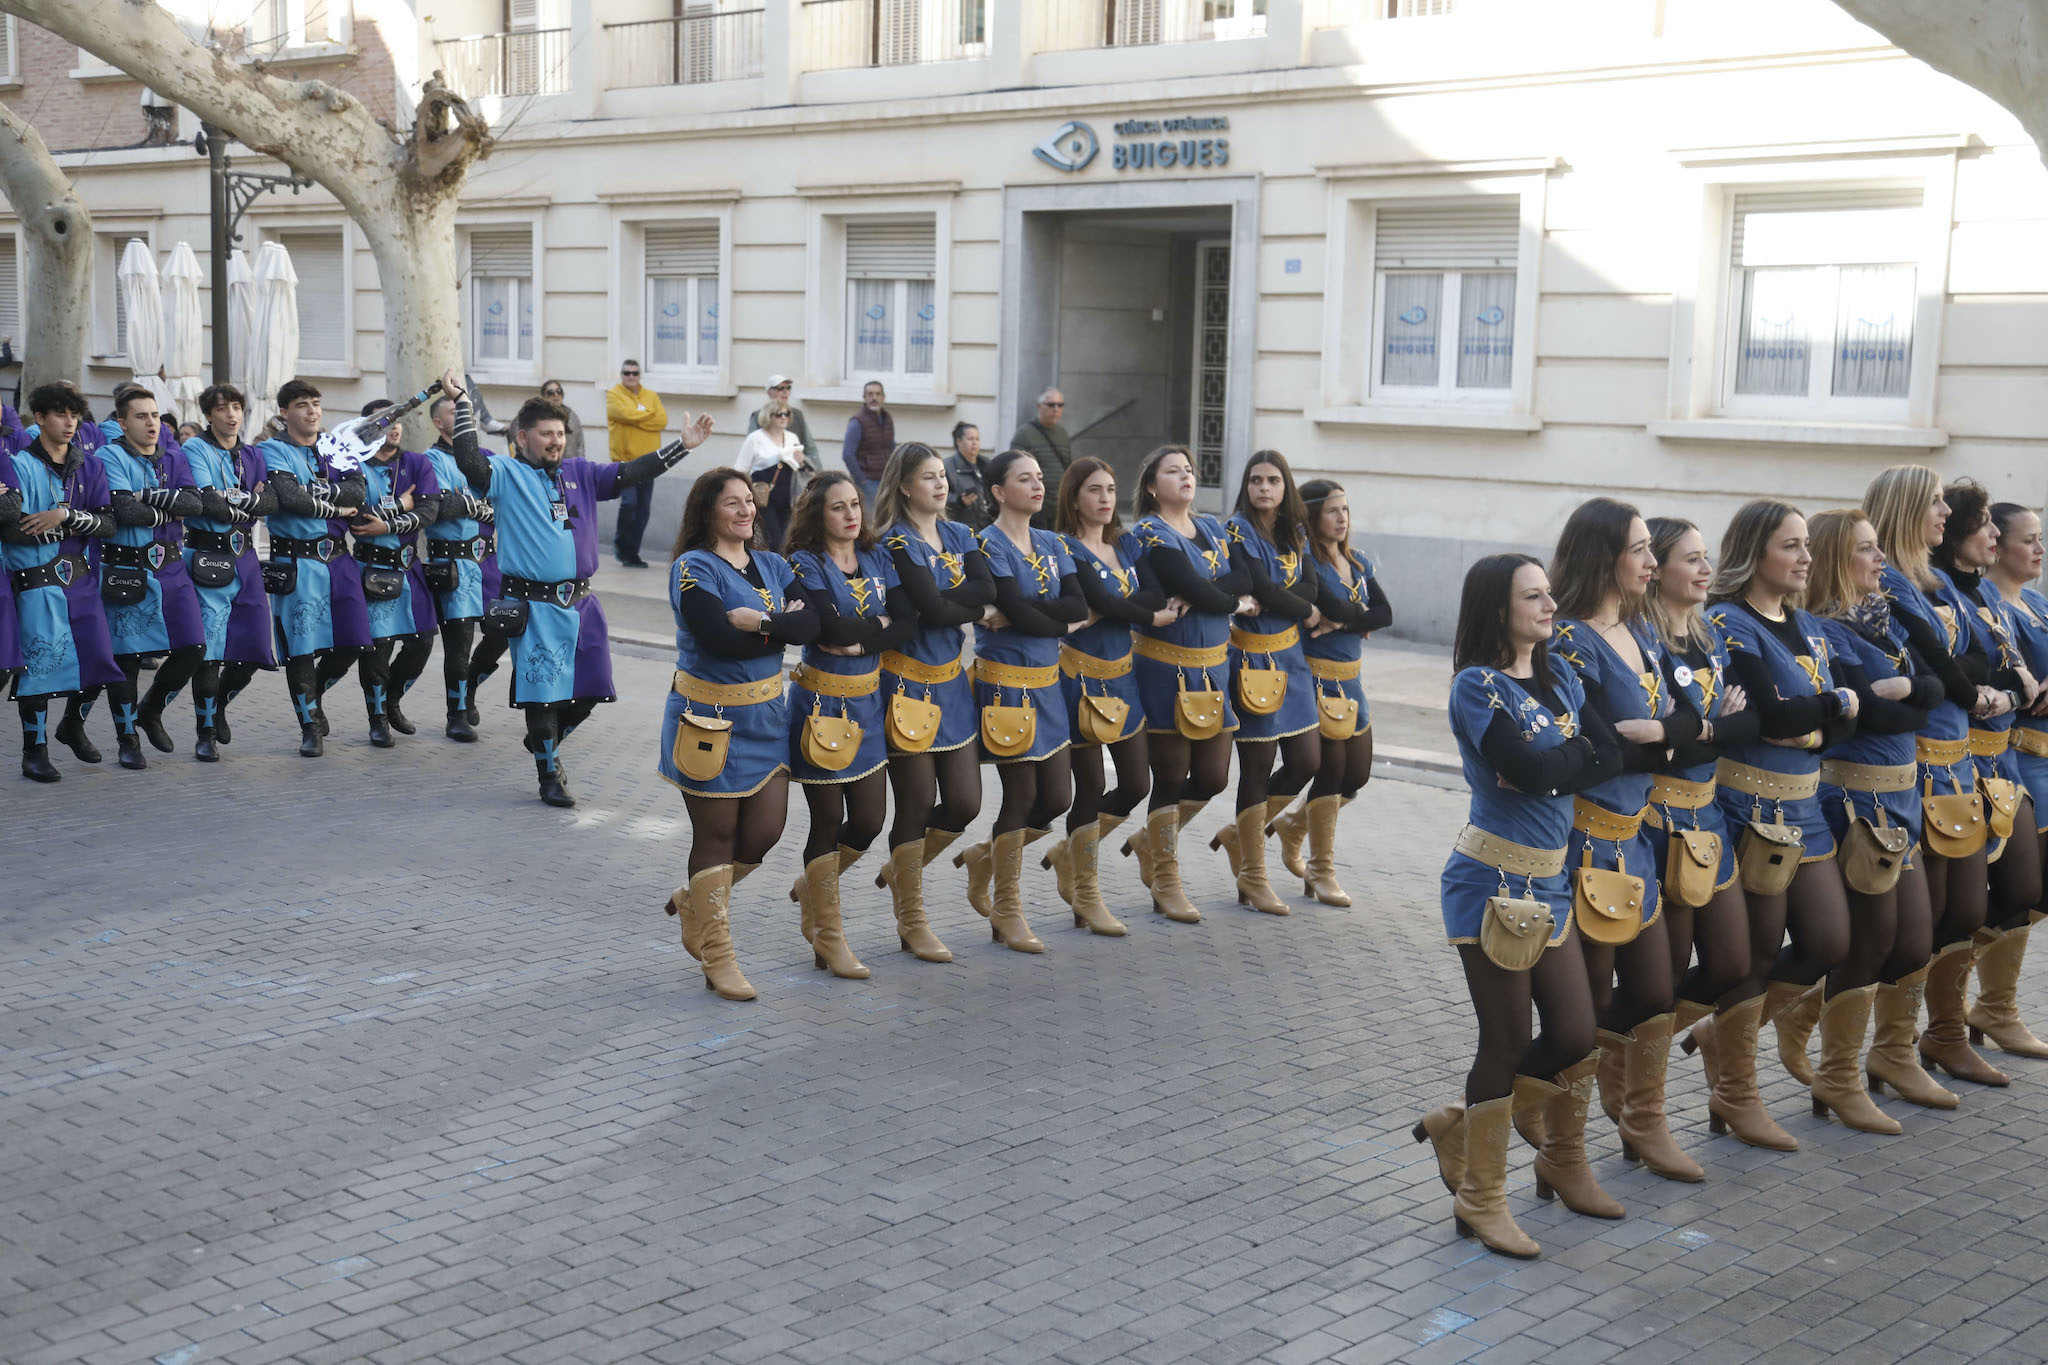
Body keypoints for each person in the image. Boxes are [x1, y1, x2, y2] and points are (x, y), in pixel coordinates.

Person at [1413, 553, 1615, 1260]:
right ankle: (1481, 1198)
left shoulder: (1558, 675)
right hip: (1490, 885)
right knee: (1502, 1041)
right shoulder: (1478, 686)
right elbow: (1536, 770)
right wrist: (1569, 758)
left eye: (1549, 593)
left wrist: (1563, 759)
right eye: (1533, 596)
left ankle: (1462, 1133)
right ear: (1499, 608)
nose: (1549, 604)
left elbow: (1604, 754)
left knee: (1575, 1030)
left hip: (1551, 884)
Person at [445, 370, 711, 807]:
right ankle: (548, 772)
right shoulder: (506, 474)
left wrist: (682, 446)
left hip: (583, 603)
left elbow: (631, 473)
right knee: (544, 696)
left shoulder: (580, 473)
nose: (555, 440)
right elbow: (469, 459)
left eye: (560, 433)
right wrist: (462, 405)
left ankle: (542, 743)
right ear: (522, 437)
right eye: (546, 434)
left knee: (591, 691)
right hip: (533, 606)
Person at [1546, 499, 1699, 1185]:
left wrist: (1665, 734)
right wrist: (1671, 736)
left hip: (1636, 839)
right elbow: (1604, 752)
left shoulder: (1642, 629)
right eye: (1640, 549)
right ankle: (1564, 1151)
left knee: (1658, 988)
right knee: (1595, 999)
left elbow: (1689, 723)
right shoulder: (1571, 641)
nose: (1652, 561)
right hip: (1588, 847)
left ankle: (1643, 1116)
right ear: (1605, 556)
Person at [1700, 500, 1856, 1149]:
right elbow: (1774, 715)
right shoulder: (1728, 623)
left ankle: (1717, 1037)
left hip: (1808, 805)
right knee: (1755, 955)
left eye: (1806, 545)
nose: (1805, 557)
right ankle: (1736, 1089)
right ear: (1755, 553)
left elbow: (1840, 716)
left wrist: (1811, 718)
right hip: (1752, 810)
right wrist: (1816, 715)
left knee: (1828, 940)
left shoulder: (1808, 625)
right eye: (1790, 546)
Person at [1864, 466, 2011, 1091]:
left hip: (1959, 761)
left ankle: (1940, 1034)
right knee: (1912, 924)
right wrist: (1961, 676)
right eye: (1933, 504)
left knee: (1965, 907)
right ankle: (1890, 1047)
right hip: (1915, 765)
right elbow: (1943, 675)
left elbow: (1983, 658)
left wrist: (1961, 674)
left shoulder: (1935, 580)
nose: (1945, 514)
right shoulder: (1888, 584)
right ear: (1904, 509)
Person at [1803, 508, 1944, 1127]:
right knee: (1870, 941)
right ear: (1838, 558)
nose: (1880, 559)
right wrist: (1911, 694)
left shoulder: (1884, 620)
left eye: (1880, 547)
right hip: (1857, 801)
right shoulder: (1825, 629)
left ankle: (1891, 1055)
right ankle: (1837, 1076)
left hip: (1902, 797)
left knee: (1914, 939)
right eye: (1866, 550)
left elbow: (1937, 686)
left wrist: (1909, 689)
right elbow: (1873, 716)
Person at [660, 468, 817, 1000]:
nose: (746, 511)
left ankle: (692, 902)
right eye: (733, 503)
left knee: (766, 832)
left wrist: (757, 622)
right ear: (708, 512)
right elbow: (717, 639)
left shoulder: (773, 564)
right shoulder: (692, 568)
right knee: (717, 838)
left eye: (749, 502)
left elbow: (811, 625)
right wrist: (776, 626)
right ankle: (717, 953)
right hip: (708, 722)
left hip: (767, 721)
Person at [1639, 519, 1756, 1121]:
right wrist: (1712, 724)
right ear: (1658, 568)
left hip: (1709, 814)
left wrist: (1706, 727)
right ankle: (1639, 1097)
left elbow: (1744, 723)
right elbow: (1675, 738)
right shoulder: (1645, 641)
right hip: (1661, 823)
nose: (1707, 569)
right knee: (1666, 975)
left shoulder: (1708, 634)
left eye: (1707, 557)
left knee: (1734, 961)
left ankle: (1631, 1055)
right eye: (1693, 559)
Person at [1926, 479, 2035, 1086]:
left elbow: (2007, 668)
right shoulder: (1940, 590)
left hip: (2001, 760)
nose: (1994, 534)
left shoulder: (1981, 593)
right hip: (1954, 762)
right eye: (1987, 524)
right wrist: (2003, 677)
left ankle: (1982, 1009)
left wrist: (2008, 677)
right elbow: (1966, 668)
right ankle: (1942, 1030)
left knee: (2019, 887)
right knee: (1940, 916)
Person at [954, 449, 1086, 951]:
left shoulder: (1052, 541)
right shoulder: (984, 545)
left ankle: (985, 855)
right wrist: (1049, 618)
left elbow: (1074, 605)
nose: (1037, 485)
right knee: (1023, 796)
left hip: (1047, 682)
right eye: (1023, 478)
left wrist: (1032, 614)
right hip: (1005, 685)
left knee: (1058, 797)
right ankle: (1007, 907)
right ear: (997, 491)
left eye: (1039, 478)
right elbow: (1028, 611)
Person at [783, 470, 914, 976]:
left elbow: (907, 622)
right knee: (827, 820)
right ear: (819, 515)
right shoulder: (805, 563)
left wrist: (864, 639)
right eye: (838, 507)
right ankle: (828, 936)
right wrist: (877, 626)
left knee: (869, 820)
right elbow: (828, 629)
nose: (851, 514)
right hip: (819, 706)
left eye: (855, 504)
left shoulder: (878, 556)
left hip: (868, 703)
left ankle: (812, 889)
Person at [873, 442, 997, 961]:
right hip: (906, 686)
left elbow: (984, 586)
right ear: (904, 486)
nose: (941, 484)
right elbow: (931, 608)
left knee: (966, 802)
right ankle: (911, 917)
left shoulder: (962, 533)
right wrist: (971, 605)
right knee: (917, 803)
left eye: (942, 475)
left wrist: (961, 603)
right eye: (927, 477)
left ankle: (901, 869)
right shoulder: (896, 543)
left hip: (953, 685)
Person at [1121, 445, 1249, 923]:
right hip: (1165, 669)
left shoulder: (1213, 526)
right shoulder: (1150, 532)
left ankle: (1150, 842)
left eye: (1189, 470)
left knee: (1214, 776)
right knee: (1171, 777)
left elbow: (1243, 575)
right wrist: (1223, 596)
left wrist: (1214, 594)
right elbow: (1196, 585)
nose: (1185, 477)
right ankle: (1165, 877)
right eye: (1173, 471)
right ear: (1153, 486)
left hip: (1214, 668)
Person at [1050, 455, 1173, 936]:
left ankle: (1067, 856)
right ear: (1075, 498)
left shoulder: (1124, 543)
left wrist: (1123, 611)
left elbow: (1153, 597)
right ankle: (1086, 893)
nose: (1105, 499)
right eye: (1094, 490)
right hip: (1077, 681)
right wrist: (1132, 611)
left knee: (1137, 784)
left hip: (1123, 679)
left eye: (1109, 489)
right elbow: (1093, 604)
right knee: (1090, 789)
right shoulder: (1064, 547)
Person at [1213, 451, 1323, 915]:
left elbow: (1309, 588)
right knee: (1256, 768)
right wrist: (1298, 606)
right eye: (1255, 479)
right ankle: (1253, 876)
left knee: (1305, 761)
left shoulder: (1295, 532)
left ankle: (1242, 837)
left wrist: (1290, 602)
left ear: (1285, 486)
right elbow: (1261, 586)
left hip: (1292, 659)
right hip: (1253, 658)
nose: (1263, 488)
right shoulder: (1236, 529)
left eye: (1273, 480)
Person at [1, 383, 123, 782]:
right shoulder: (19, 464)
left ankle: (72, 724)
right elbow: (14, 525)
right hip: (36, 581)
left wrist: (63, 517)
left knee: (99, 661)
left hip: (81, 581)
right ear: (39, 419)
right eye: (60, 414)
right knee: (39, 669)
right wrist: (62, 525)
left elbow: (108, 523)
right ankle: (33, 752)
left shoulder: (91, 466)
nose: (70, 422)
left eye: (74, 414)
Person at [1286, 480, 1393, 906]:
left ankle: (1294, 824)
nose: (1342, 517)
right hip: (1316, 678)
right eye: (1332, 510)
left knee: (1357, 774)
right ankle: (1320, 869)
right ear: (1312, 515)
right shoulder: (1305, 559)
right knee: (1330, 772)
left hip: (1352, 679)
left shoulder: (1359, 560)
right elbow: (1335, 607)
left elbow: (1384, 613)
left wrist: (1343, 622)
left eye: (1345, 509)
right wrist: (1349, 618)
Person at [93, 384, 208, 769]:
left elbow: (194, 504)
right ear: (123, 422)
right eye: (141, 416)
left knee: (192, 647)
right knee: (126, 658)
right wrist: (165, 504)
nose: (151, 423)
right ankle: (127, 739)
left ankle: (151, 709)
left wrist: (146, 497)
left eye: (155, 415)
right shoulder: (109, 455)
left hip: (172, 569)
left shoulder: (174, 458)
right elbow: (123, 510)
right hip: (126, 569)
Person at [260, 379, 369, 759]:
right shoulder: (271, 450)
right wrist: (337, 504)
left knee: (355, 640)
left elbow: (360, 490)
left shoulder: (336, 447)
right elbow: (291, 499)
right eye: (303, 405)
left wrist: (321, 492)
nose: (312, 411)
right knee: (302, 648)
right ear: (285, 412)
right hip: (296, 559)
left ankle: (314, 694)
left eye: (316, 403)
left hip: (339, 558)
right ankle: (308, 725)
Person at [1980, 498, 2048, 1059]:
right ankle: (1992, 1007)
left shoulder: (2037, 605)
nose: (2039, 549)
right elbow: (2017, 689)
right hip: (2017, 759)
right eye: (2029, 539)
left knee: (2030, 894)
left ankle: (1993, 1006)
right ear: (1995, 543)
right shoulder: (1981, 604)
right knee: (2022, 890)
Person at [178, 383, 277, 759]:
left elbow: (270, 503)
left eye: (236, 407)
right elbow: (207, 502)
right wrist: (247, 500)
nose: (231, 415)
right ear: (208, 415)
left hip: (245, 558)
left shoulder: (251, 454)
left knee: (253, 650)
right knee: (211, 652)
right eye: (222, 409)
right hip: (207, 557)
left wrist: (238, 500)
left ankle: (218, 704)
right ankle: (204, 732)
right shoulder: (195, 449)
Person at [350, 400, 441, 748]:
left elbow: (431, 508)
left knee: (422, 641)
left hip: (409, 567)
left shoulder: (417, 463)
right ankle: (376, 719)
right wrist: (402, 503)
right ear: (368, 427)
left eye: (397, 419)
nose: (394, 426)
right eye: (385, 421)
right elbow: (357, 517)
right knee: (377, 649)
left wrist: (387, 520)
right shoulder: (354, 467)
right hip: (370, 567)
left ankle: (392, 701)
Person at [423, 394, 499, 741]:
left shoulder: (487, 458)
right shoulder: (431, 460)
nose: (462, 416)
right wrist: (474, 504)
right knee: (459, 644)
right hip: (451, 561)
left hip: (488, 561)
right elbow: (439, 505)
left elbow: (506, 500)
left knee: (504, 630)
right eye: (455, 412)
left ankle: (468, 689)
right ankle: (456, 715)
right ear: (438, 423)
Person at [605, 360, 667, 568]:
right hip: (625, 461)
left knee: (642, 509)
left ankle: (633, 553)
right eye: (627, 373)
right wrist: (646, 415)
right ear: (621, 375)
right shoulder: (614, 395)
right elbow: (621, 414)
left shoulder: (651, 396)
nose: (631, 377)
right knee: (629, 503)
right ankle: (621, 547)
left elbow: (662, 421)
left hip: (650, 463)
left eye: (635, 373)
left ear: (640, 375)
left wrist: (636, 417)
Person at [737, 401, 807, 550]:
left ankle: (785, 570)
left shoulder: (792, 438)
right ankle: (775, 570)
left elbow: (799, 468)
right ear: (768, 416)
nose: (783, 417)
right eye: (778, 414)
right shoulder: (755, 438)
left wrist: (801, 461)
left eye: (786, 413)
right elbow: (740, 468)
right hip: (764, 499)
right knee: (775, 540)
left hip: (788, 498)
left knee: (788, 539)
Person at [1008, 389, 1073, 529]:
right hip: (1036, 507)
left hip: (1059, 507)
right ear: (1039, 406)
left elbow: (1068, 467)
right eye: (1050, 404)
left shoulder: (1062, 434)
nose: (1055, 409)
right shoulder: (1024, 434)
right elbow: (1014, 470)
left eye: (1060, 405)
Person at [840, 380, 893, 508]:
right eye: (870, 394)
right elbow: (848, 454)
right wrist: (862, 481)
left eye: (877, 394)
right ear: (864, 398)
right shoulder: (857, 422)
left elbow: (891, 447)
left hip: (886, 481)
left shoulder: (887, 418)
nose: (874, 398)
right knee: (871, 523)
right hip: (868, 483)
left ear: (883, 397)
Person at [745, 375, 815, 462]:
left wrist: (816, 470)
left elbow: (811, 448)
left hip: (793, 471)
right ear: (769, 392)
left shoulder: (797, 414)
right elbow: (749, 452)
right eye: (780, 388)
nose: (785, 391)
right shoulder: (757, 415)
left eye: (788, 388)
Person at [943, 422, 987, 527]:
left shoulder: (987, 464)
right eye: (970, 439)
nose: (974, 443)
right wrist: (959, 500)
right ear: (958, 441)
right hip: (961, 528)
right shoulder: (947, 467)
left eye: (977, 439)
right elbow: (940, 496)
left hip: (987, 526)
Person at [537, 379, 585, 461]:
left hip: (570, 466)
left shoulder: (572, 416)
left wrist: (581, 464)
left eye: (559, 391)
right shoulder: (537, 416)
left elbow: (580, 444)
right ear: (544, 396)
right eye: (551, 392)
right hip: (547, 467)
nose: (556, 395)